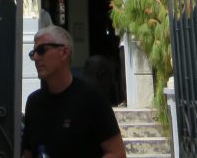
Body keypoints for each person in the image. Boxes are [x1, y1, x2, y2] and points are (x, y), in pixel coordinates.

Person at [21, 26, 126, 158]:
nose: (36, 57)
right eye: (33, 53)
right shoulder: (33, 103)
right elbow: (28, 153)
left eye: (42, 50)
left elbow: (117, 153)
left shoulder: (92, 99)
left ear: (64, 53)